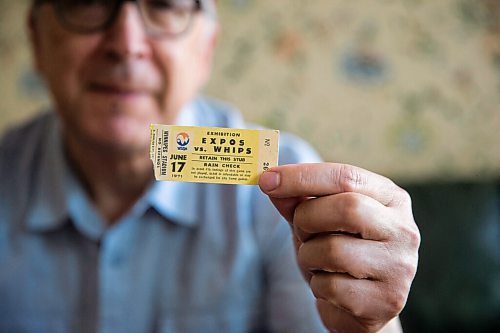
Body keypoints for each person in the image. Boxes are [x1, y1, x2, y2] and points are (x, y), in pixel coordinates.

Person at [0, 0, 420, 332]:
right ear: (37, 40)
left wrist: (369, 328)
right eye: (87, 2)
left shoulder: (289, 191)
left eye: (165, 5)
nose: (126, 42)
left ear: (206, 50)